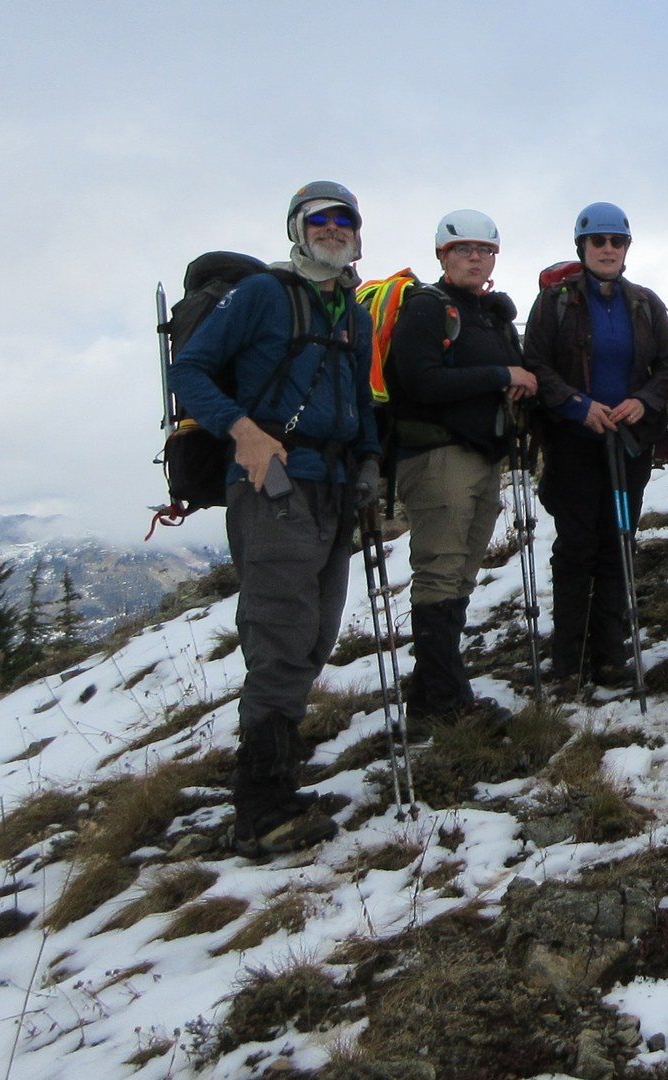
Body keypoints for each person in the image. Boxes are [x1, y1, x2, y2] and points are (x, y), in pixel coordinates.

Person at [170, 180, 382, 854]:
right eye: (319, 218)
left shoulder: (353, 311)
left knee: (315, 634)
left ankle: (278, 780)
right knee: (281, 633)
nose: (333, 227)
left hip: (336, 486)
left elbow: (360, 399)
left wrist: (370, 462)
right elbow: (189, 371)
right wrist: (245, 433)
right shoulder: (263, 293)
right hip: (272, 484)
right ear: (297, 228)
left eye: (344, 218)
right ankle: (260, 808)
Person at [524, 201, 668, 690]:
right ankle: (568, 663)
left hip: (628, 445)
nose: (608, 249)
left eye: (617, 241)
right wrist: (578, 405)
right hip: (574, 444)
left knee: (618, 543)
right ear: (583, 246)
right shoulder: (555, 302)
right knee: (576, 547)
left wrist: (642, 401)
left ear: (627, 248)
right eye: (599, 241)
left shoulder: (646, 304)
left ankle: (609, 657)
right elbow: (536, 363)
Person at [387, 209, 534, 728]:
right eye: (464, 250)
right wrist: (501, 373)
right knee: (442, 570)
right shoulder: (427, 308)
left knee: (460, 574)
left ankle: (429, 696)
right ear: (442, 255)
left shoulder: (487, 315)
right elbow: (420, 380)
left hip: (481, 456)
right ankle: (448, 703)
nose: (476, 258)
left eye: (485, 250)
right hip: (438, 457)